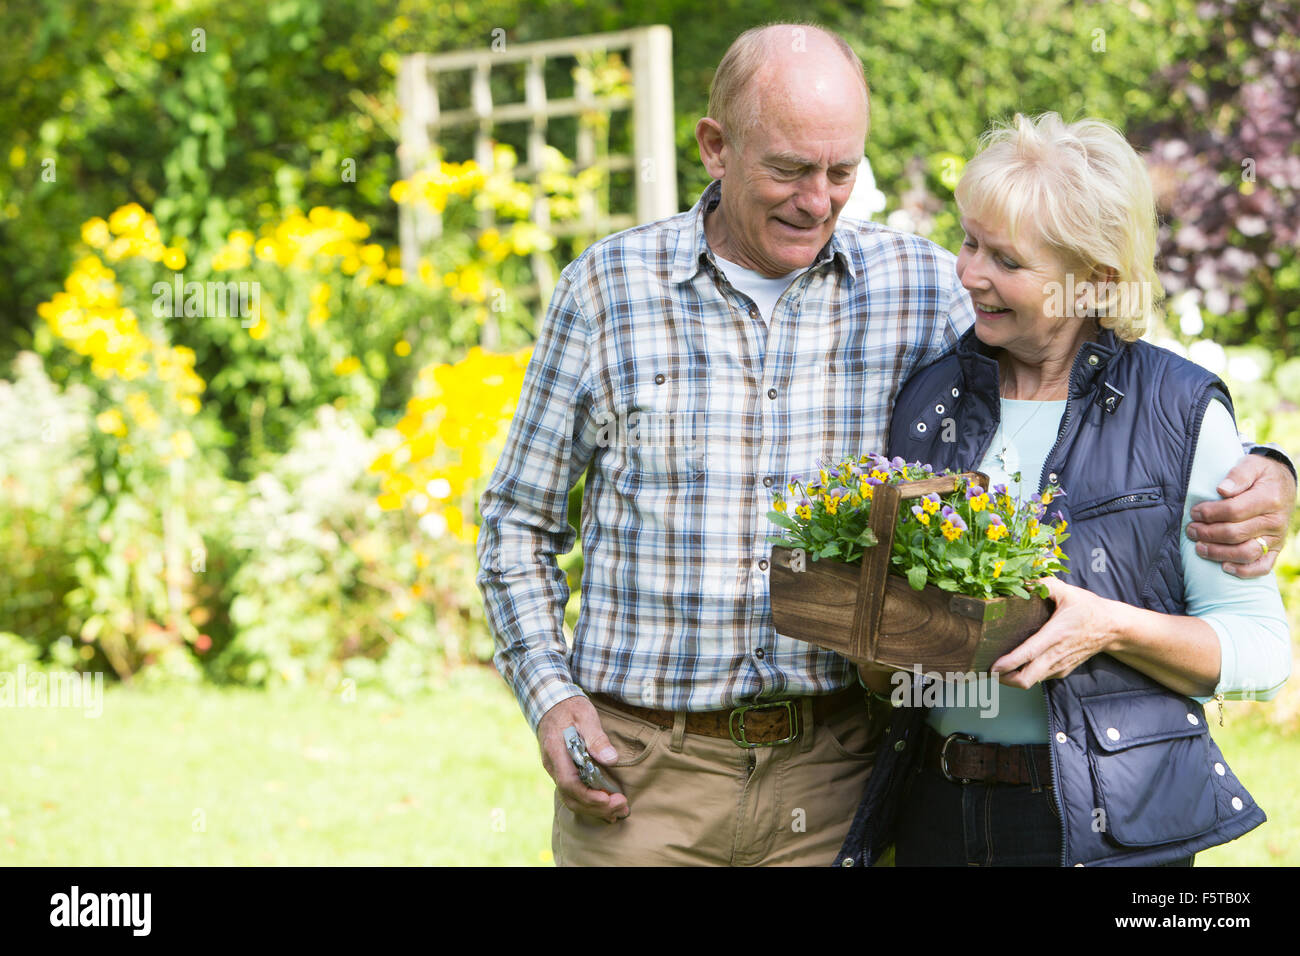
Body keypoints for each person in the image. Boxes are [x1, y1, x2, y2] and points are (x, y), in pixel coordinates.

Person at [476, 24, 1297, 867]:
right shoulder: (609, 290)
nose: (818, 200)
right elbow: (516, 519)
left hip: (838, 776)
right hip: (646, 776)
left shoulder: (916, 286)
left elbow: (1105, 377)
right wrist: (549, 696)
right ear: (715, 148)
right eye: (790, 169)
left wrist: (1269, 468)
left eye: (842, 172)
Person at [837, 113, 1292, 868]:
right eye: (970, 241)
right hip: (937, 812)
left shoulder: (1177, 411)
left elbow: (1261, 651)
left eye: (1006, 260)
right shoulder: (931, 398)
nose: (970, 273)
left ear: (1096, 282)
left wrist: (1108, 627)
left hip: (1105, 822)